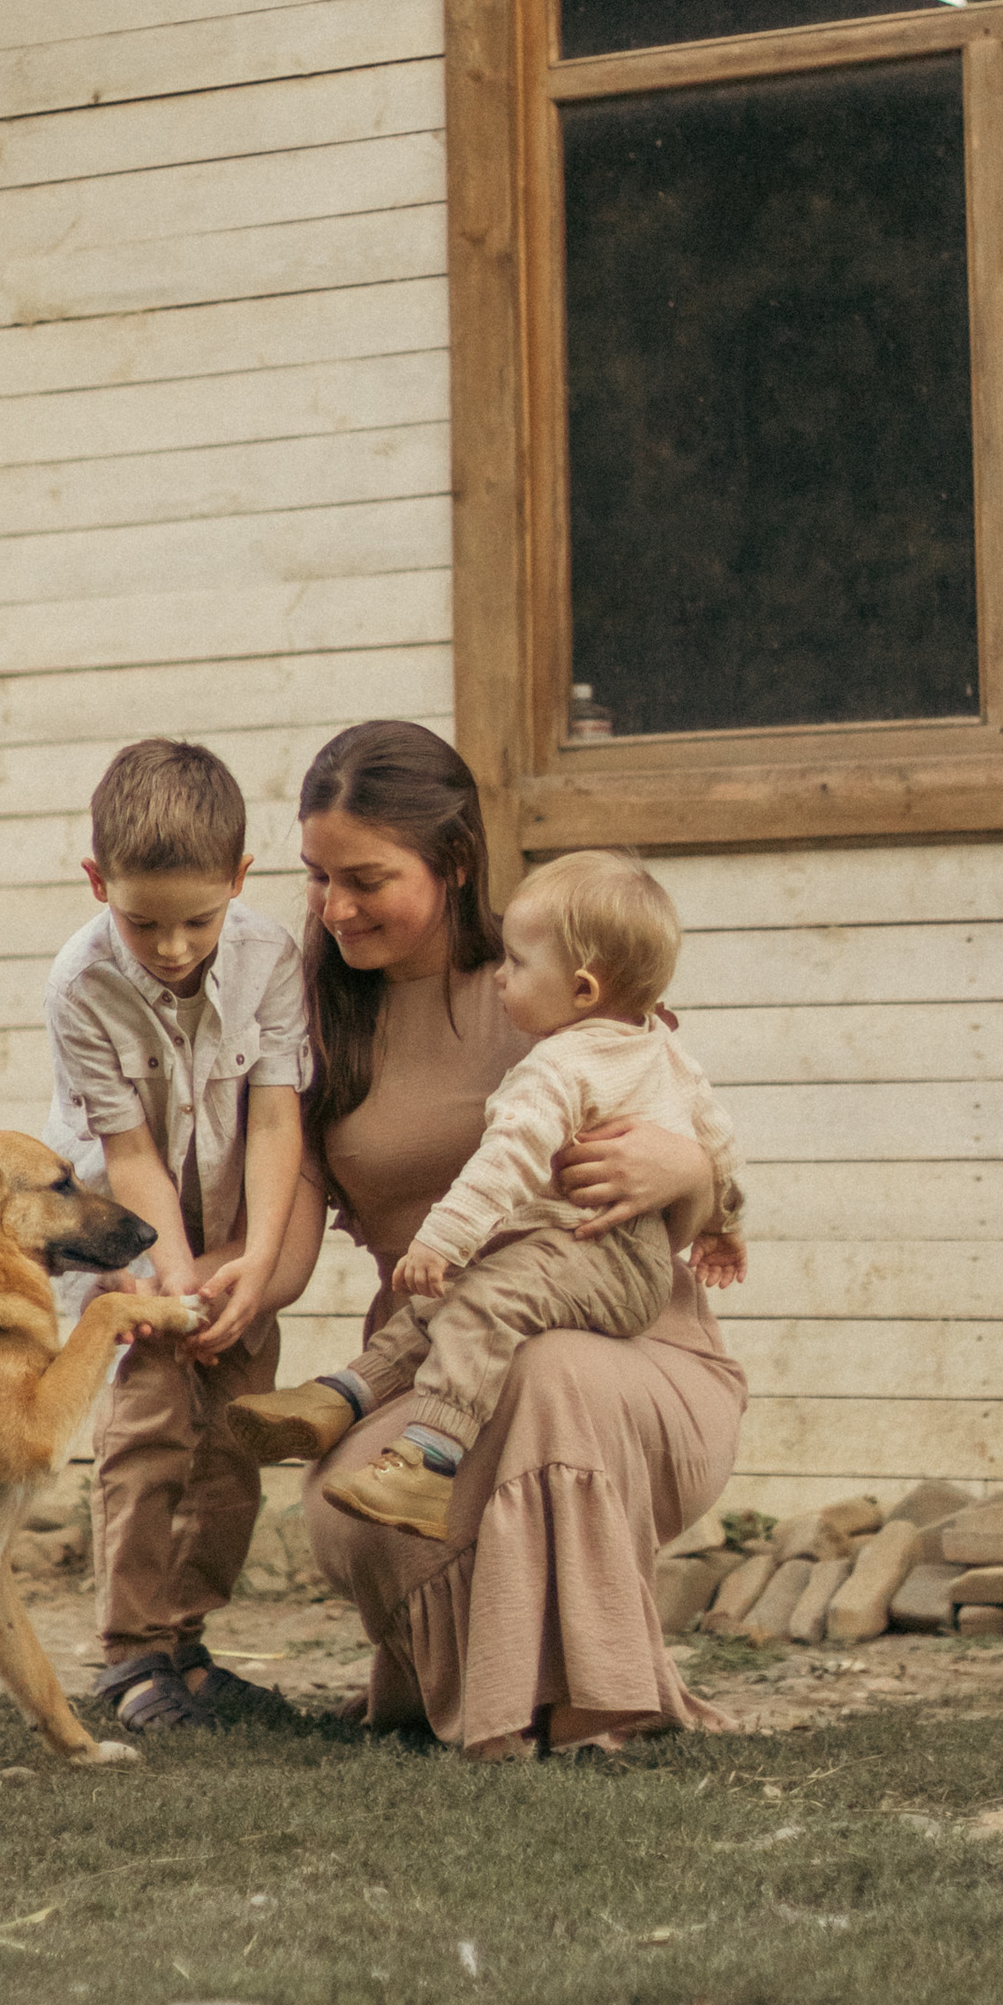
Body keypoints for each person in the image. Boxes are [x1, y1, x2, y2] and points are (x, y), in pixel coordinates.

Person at [257, 721, 745, 1759]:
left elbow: (695, 1152)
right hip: (438, 1341)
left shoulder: (561, 981)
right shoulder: (313, 1020)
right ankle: (494, 1690)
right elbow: (286, 1236)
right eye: (316, 878)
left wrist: (691, 1177)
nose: (334, 907)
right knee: (354, 1511)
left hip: (629, 1343)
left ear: (455, 863)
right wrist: (222, 1293)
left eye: (365, 878)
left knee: (550, 1375)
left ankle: (590, 1704)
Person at [233, 846, 744, 1542]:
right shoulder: (662, 1049)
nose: (502, 978)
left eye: (519, 965)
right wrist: (725, 1223)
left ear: (585, 990)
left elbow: (502, 1165)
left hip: (603, 1255)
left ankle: (427, 1463)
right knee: (443, 1304)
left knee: (478, 1302)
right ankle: (342, 1396)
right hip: (595, 1253)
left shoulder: (558, 1068)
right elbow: (717, 1142)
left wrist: (441, 1240)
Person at [41, 738, 321, 1732]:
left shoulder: (270, 957)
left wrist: (252, 1261)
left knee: (234, 1435)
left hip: (241, 1230)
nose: (170, 948)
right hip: (132, 1238)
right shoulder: (80, 986)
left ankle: (187, 1643)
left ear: (240, 882)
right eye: (143, 921)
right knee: (152, 1428)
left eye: (197, 920)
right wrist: (166, 1277)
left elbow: (278, 1117)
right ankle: (129, 1656)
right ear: (96, 881)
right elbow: (128, 1155)